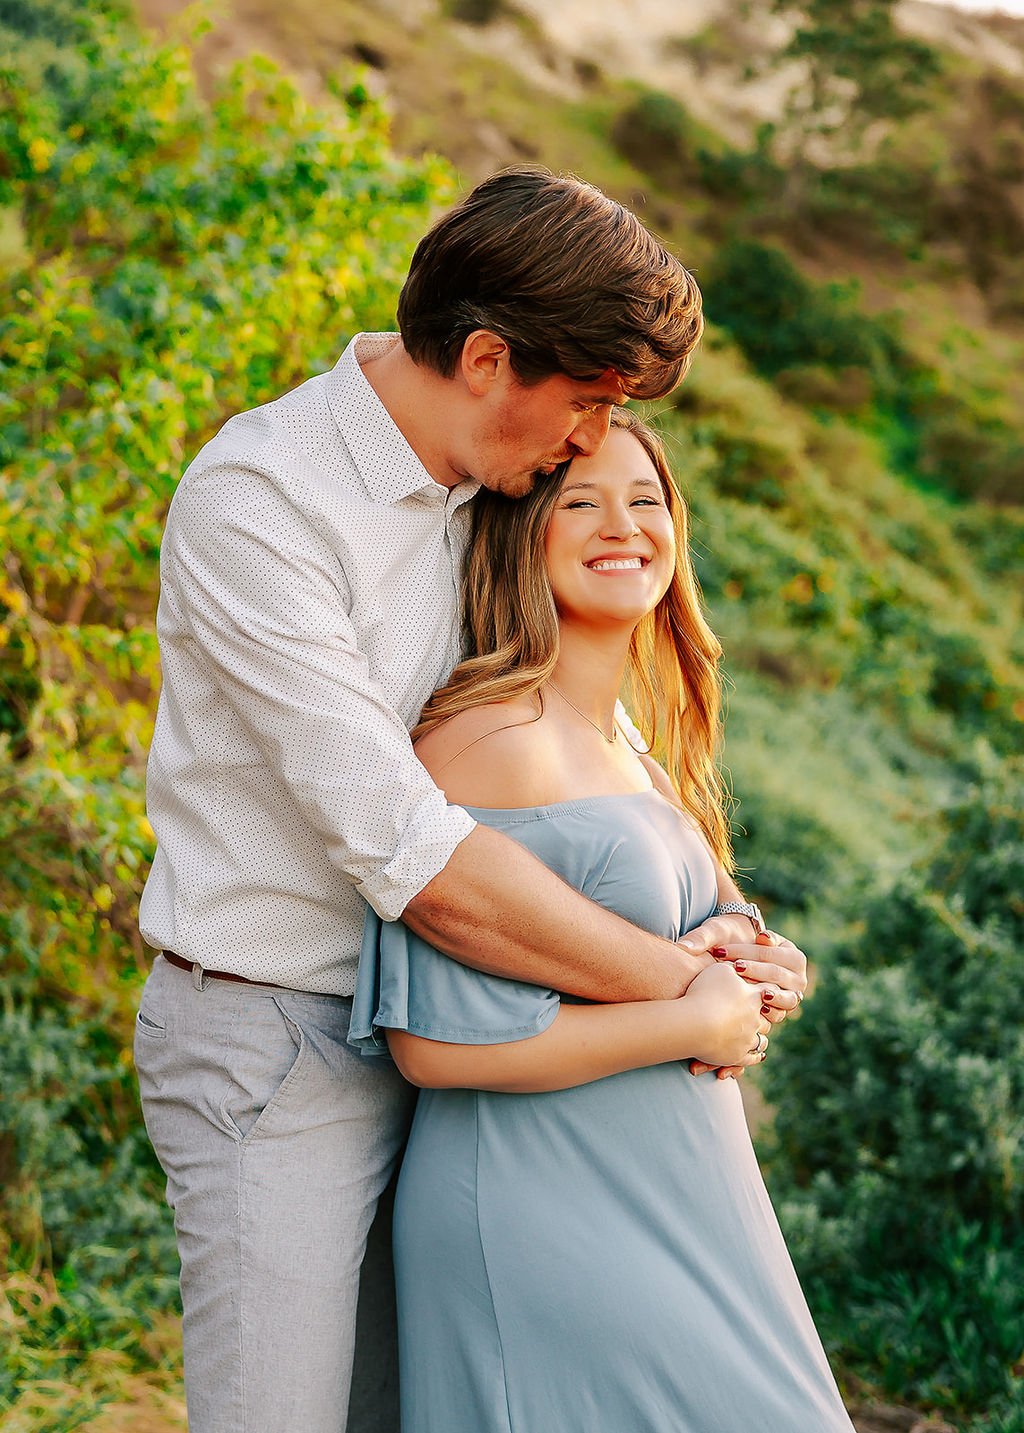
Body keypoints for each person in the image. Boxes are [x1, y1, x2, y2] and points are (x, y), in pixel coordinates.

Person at [133, 167, 807, 1433]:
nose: (589, 442)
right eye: (586, 403)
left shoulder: (493, 497)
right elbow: (415, 854)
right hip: (286, 1041)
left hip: (485, 1049)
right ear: (489, 357)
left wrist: (725, 928)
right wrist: (676, 988)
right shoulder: (263, 505)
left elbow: (580, 758)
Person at [350, 408, 854, 1433]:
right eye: (580, 500)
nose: (622, 524)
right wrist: (692, 1020)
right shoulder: (484, 735)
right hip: (546, 1210)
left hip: (681, 1194)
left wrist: (755, 954)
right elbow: (431, 1042)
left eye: (645, 499)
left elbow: (673, 932)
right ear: (521, 533)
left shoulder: (625, 739)